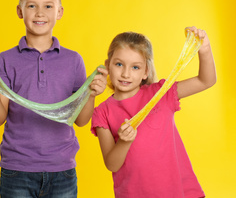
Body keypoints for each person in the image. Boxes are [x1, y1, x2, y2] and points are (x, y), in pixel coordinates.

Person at [0, 0, 108, 198]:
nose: (40, 13)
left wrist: (92, 94)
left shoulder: (73, 60)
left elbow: (81, 120)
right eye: (32, 6)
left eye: (48, 6)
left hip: (62, 170)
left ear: (59, 12)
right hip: (17, 169)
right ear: (20, 12)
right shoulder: (6, 59)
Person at [91, 28, 216, 197]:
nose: (126, 74)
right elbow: (112, 164)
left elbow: (205, 81)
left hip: (181, 192)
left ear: (146, 72)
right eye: (119, 64)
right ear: (107, 66)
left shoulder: (161, 94)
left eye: (135, 67)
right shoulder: (102, 112)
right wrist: (124, 142)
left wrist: (205, 49)